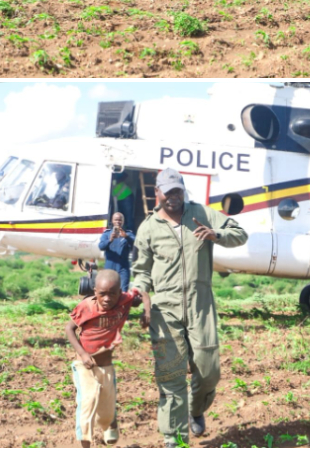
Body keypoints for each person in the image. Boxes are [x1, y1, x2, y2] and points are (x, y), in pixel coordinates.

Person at [131, 168, 248, 447]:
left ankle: (196, 409)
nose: (173, 197)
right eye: (168, 191)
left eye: (178, 191)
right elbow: (141, 270)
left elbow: (240, 233)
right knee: (170, 375)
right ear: (157, 193)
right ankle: (175, 439)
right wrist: (140, 292)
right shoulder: (148, 228)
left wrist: (216, 235)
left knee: (209, 371)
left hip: (200, 304)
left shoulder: (201, 213)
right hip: (165, 308)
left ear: (183, 191)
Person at [66, 269, 143, 447]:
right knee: (88, 402)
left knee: (107, 411)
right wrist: (83, 354)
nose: (107, 299)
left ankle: (110, 423)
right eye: (102, 294)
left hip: (106, 366)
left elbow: (143, 295)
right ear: (95, 292)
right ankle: (86, 446)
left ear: (120, 292)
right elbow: (69, 329)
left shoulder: (124, 301)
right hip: (84, 365)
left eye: (112, 294)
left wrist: (144, 309)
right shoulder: (87, 306)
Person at [97, 212, 136, 291]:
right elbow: (101, 246)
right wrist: (110, 240)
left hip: (123, 267)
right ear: (112, 221)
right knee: (108, 289)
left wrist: (126, 237)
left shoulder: (128, 233)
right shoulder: (107, 234)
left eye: (120, 220)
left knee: (123, 290)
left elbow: (137, 244)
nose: (118, 222)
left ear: (123, 221)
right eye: (116, 220)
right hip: (110, 266)